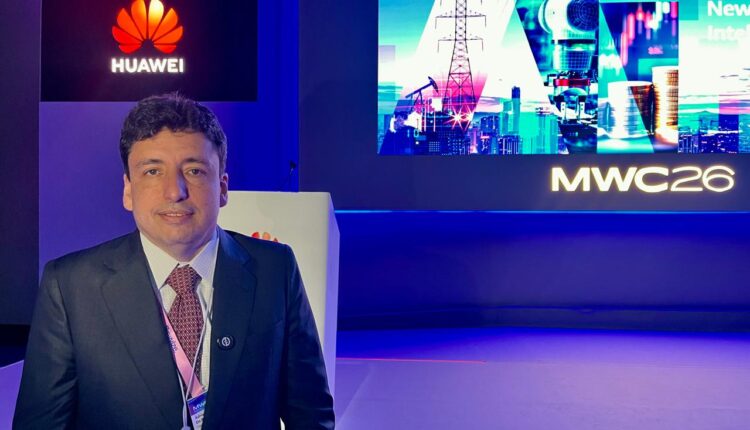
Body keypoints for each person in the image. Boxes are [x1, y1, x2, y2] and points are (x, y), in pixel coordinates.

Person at [14, 94, 334, 429]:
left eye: (194, 171)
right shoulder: (70, 287)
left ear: (223, 188)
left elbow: (310, 414)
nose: (174, 191)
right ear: (128, 190)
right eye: (153, 171)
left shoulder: (275, 270)